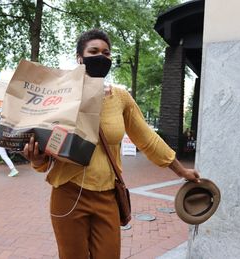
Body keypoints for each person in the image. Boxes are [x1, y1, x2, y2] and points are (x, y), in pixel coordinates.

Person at [22, 29, 200, 259]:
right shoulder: (60, 96)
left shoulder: (120, 98)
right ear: (80, 58)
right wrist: (37, 160)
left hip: (107, 197)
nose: (101, 57)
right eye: (93, 51)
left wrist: (180, 170)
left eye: (106, 53)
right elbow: (46, 147)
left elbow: (147, 139)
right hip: (68, 193)